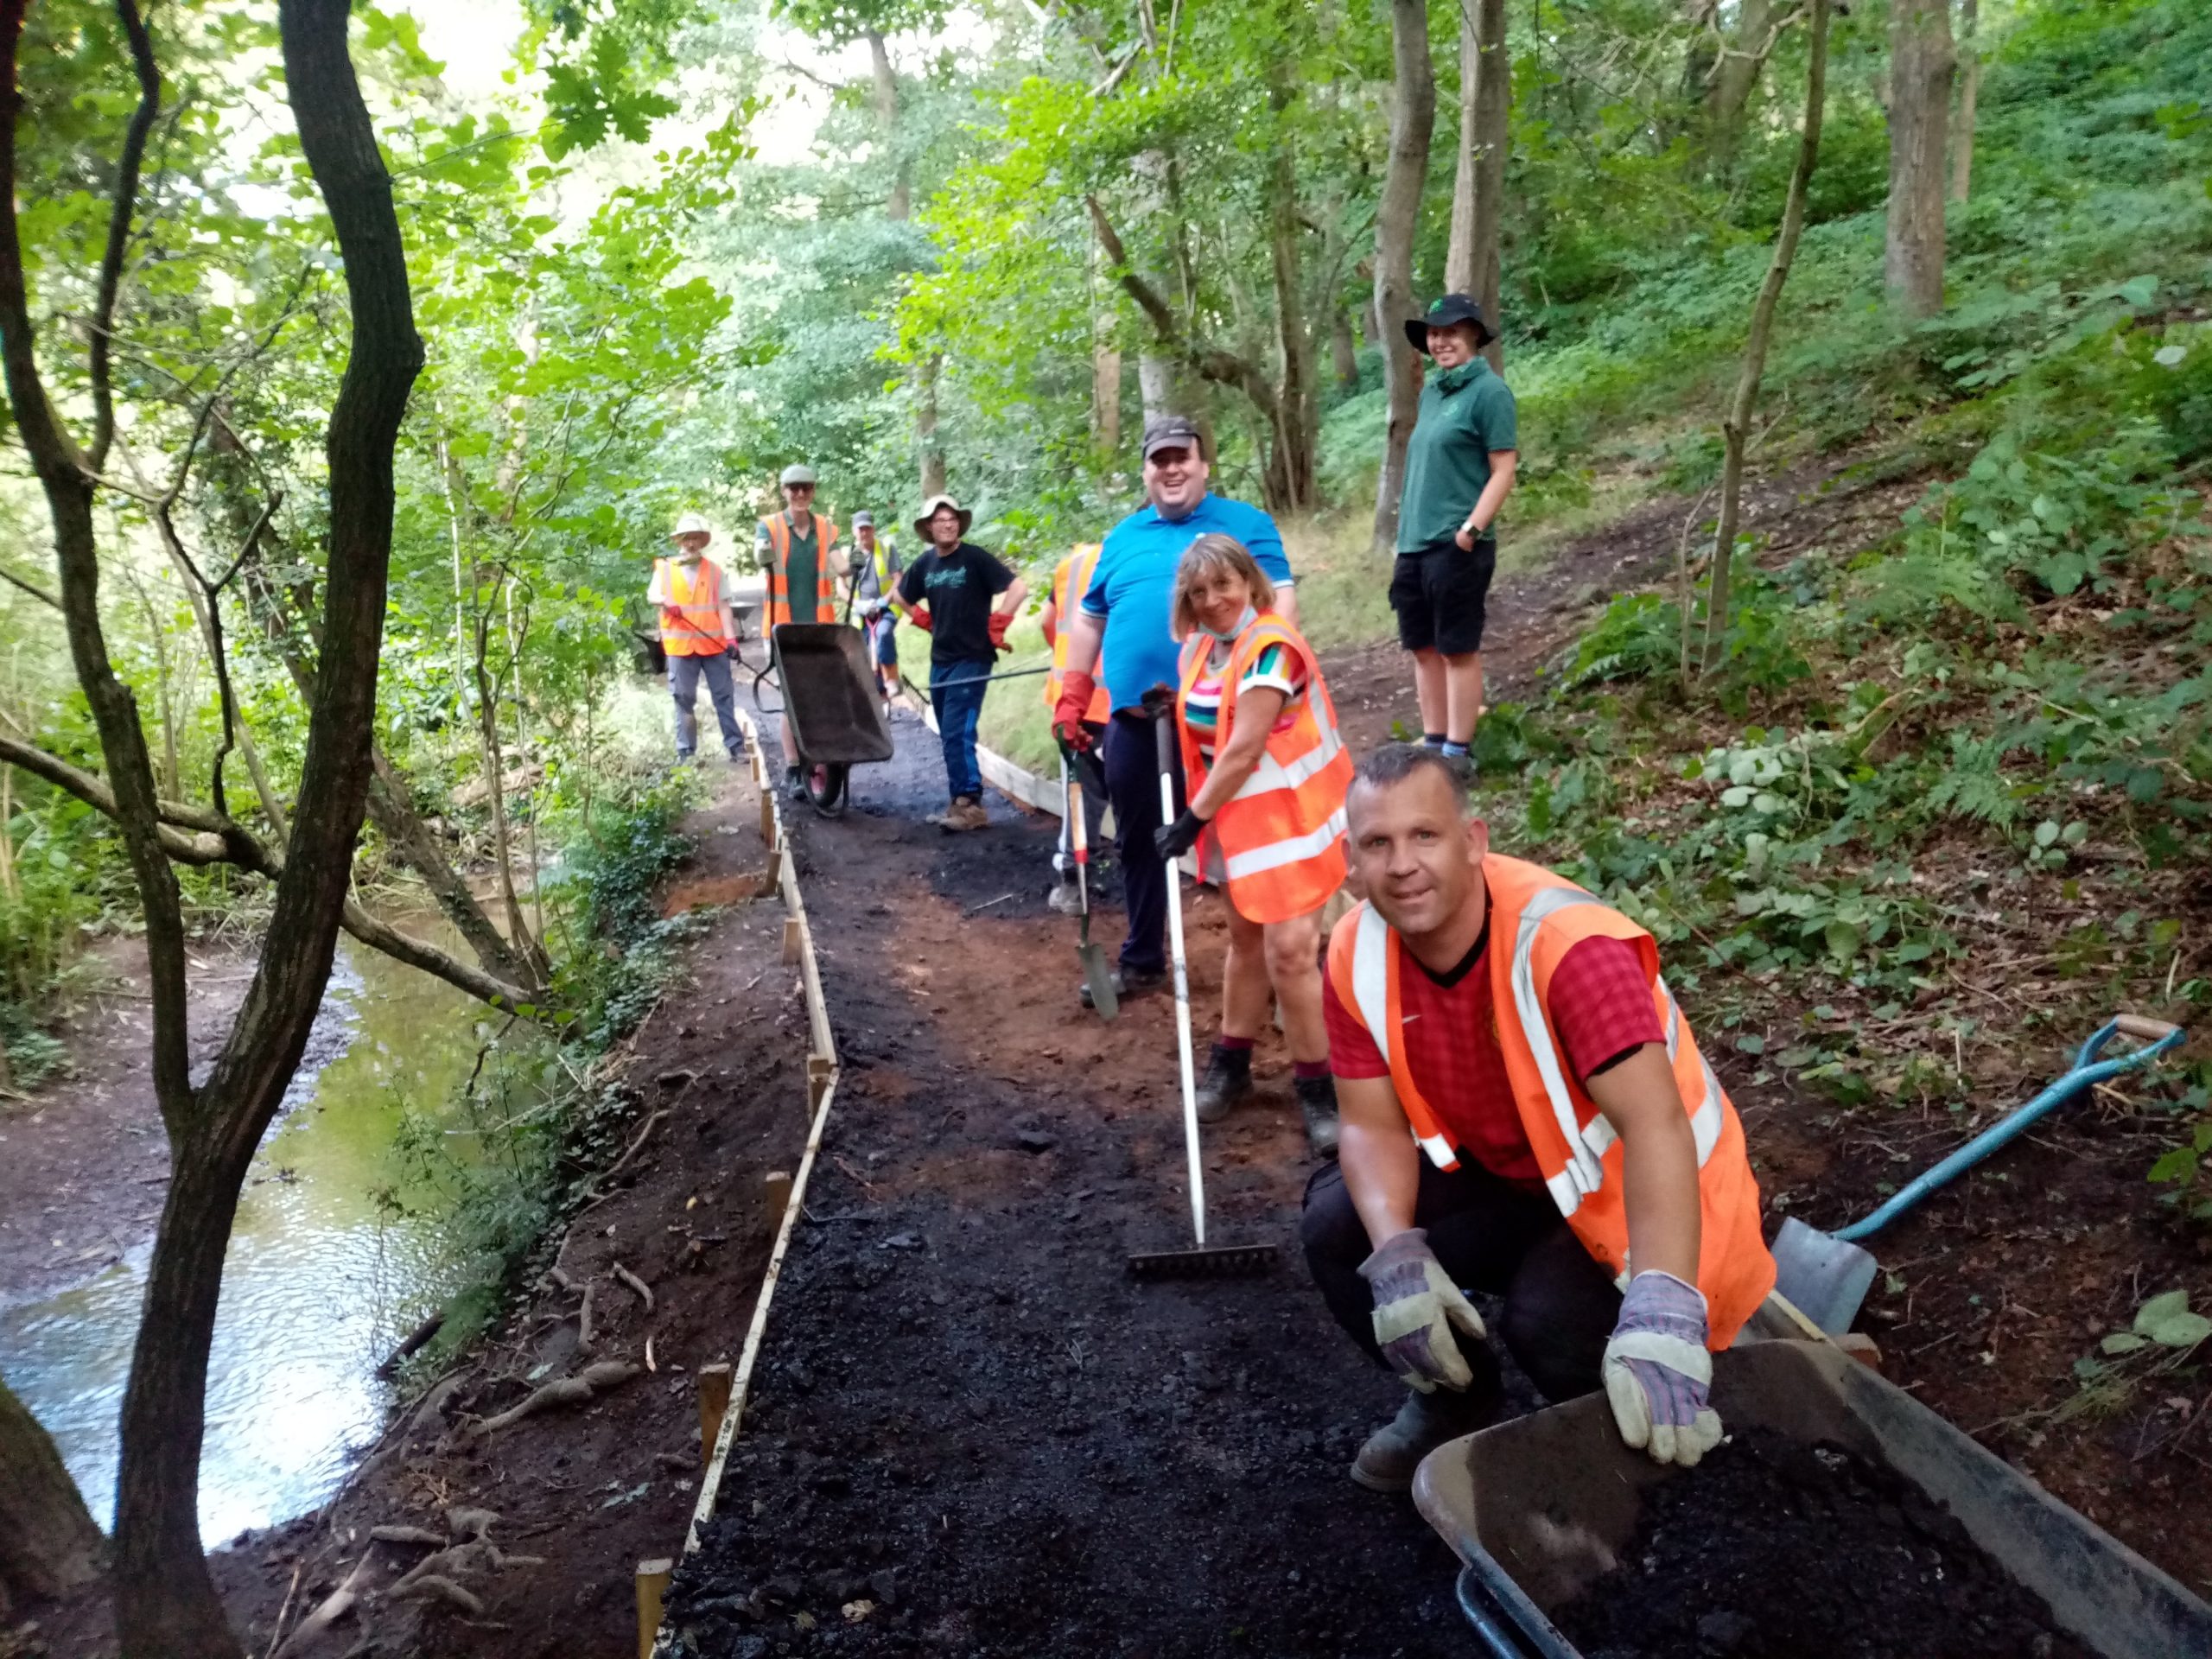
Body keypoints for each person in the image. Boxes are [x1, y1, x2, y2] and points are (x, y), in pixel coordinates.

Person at [1301, 744, 1775, 1492]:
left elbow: (1657, 1128)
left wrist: (1661, 1306)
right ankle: (1455, 1403)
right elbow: (1370, 1127)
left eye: (1424, 835)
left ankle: (1648, 1482)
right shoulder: (1355, 952)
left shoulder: (1568, 949)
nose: (1401, 864)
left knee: (1548, 1320)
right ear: (1352, 863)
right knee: (1338, 1226)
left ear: (1474, 842)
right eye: (1377, 844)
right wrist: (1397, 1258)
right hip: (1524, 1179)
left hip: (1651, 1203)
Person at [1052, 416, 1297, 1005]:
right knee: (1139, 838)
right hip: (1138, 720)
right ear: (1146, 471)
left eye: (1181, 456)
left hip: (1221, 721)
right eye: (1159, 460)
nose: (1171, 468)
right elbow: (1089, 618)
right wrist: (1073, 692)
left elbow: (1278, 603)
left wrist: (1258, 679)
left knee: (1241, 835)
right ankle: (1142, 959)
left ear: (1203, 463)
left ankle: (1273, 964)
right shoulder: (1122, 538)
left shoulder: (1245, 525)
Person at [1154, 535, 1351, 1156]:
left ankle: (1320, 1088)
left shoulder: (1272, 647)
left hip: (1297, 820)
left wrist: (1190, 819)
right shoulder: (1202, 649)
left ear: (1249, 581)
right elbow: (1212, 721)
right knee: (1244, 941)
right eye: (1199, 590)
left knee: (1291, 954)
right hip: (1243, 826)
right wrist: (1173, 707)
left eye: (1223, 585)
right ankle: (1232, 1063)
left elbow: (1244, 744)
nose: (1212, 600)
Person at [1393, 295, 1517, 762]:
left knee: (1456, 648)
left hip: (1457, 544)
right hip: (1414, 544)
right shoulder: (1433, 391)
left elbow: (1504, 469)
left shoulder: (1490, 393)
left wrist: (1471, 529)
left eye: (1451, 332)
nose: (1440, 341)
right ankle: (1433, 740)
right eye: (1434, 333)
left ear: (1474, 337)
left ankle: (1458, 752)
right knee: (1422, 646)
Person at [893, 494, 1027, 832]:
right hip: (942, 659)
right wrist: (919, 616)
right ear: (928, 528)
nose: (947, 524)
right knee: (947, 731)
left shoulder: (974, 558)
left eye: (952, 518)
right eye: (939, 520)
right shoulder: (925, 564)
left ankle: (971, 804)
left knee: (957, 729)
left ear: (959, 523)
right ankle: (958, 802)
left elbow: (1019, 587)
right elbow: (899, 595)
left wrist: (1000, 621)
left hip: (973, 656)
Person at [755, 463, 847, 798]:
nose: (799, 494)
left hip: (820, 628)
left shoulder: (825, 528)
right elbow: (760, 551)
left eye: (805, 488)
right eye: (793, 488)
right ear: (783, 492)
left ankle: (823, 758)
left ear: (813, 491)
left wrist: (853, 568)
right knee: (791, 700)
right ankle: (794, 768)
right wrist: (762, 555)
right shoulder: (770, 526)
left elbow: (838, 560)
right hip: (783, 628)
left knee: (821, 698)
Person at [1039, 543, 1111, 916]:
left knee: (1080, 795)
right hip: (1129, 698)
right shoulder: (1153, 556)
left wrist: (1069, 659)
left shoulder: (1074, 563)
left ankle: (1074, 883)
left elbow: (1047, 623)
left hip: (1076, 698)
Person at [648, 512, 745, 764]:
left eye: (696, 538)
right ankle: (686, 754)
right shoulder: (665, 569)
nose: (691, 543)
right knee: (683, 700)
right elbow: (653, 595)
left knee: (724, 697)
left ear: (702, 541)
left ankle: (736, 748)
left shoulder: (714, 571)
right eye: (686, 538)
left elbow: (724, 606)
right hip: (680, 647)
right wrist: (666, 602)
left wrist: (731, 640)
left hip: (713, 645)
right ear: (679, 541)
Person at [849, 510, 902, 705]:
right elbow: (840, 585)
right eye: (860, 529)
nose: (864, 533)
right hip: (860, 612)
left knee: (883, 634)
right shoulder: (850, 554)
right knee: (862, 647)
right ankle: (874, 691)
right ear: (854, 531)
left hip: (886, 609)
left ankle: (891, 680)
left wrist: (884, 601)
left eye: (867, 528)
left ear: (873, 529)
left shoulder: (886, 548)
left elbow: (898, 578)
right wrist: (857, 604)